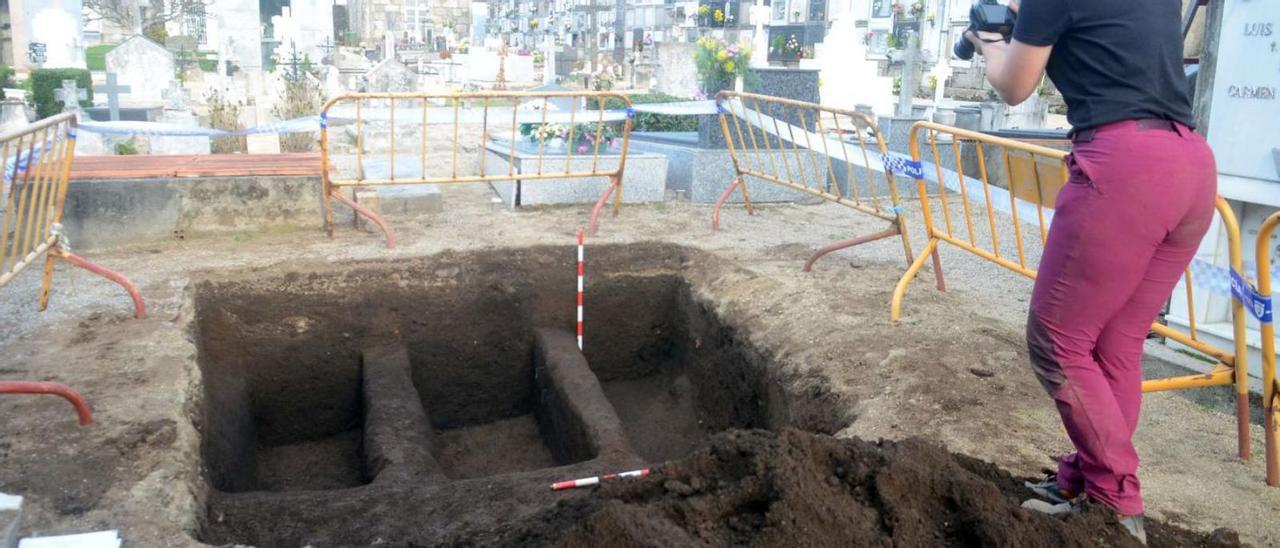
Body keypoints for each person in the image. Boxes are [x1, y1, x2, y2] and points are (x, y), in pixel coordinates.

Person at [965, 0, 1217, 544]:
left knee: (1057, 339)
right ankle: (1085, 481)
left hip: (1126, 167)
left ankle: (1116, 506)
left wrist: (989, 43)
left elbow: (1013, 86)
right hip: (1190, 165)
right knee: (1115, 345)